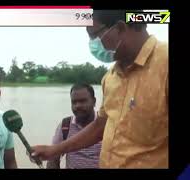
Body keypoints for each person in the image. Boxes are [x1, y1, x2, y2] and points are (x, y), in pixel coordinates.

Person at [30, 10, 168, 168]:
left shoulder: (164, 65)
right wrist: (54, 150)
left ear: (120, 28)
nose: (93, 43)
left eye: (94, 35)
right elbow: (100, 125)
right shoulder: (110, 78)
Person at [46, 83, 101, 169]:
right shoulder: (65, 126)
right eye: (74, 102)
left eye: (83, 101)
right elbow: (53, 158)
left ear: (94, 101)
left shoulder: (104, 125)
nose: (77, 106)